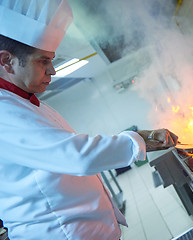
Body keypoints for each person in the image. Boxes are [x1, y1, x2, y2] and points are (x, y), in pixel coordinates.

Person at [0, 1, 178, 239]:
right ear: (6, 61)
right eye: (43, 61)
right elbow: (77, 155)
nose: (52, 70)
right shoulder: (4, 113)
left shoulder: (32, 104)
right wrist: (139, 140)